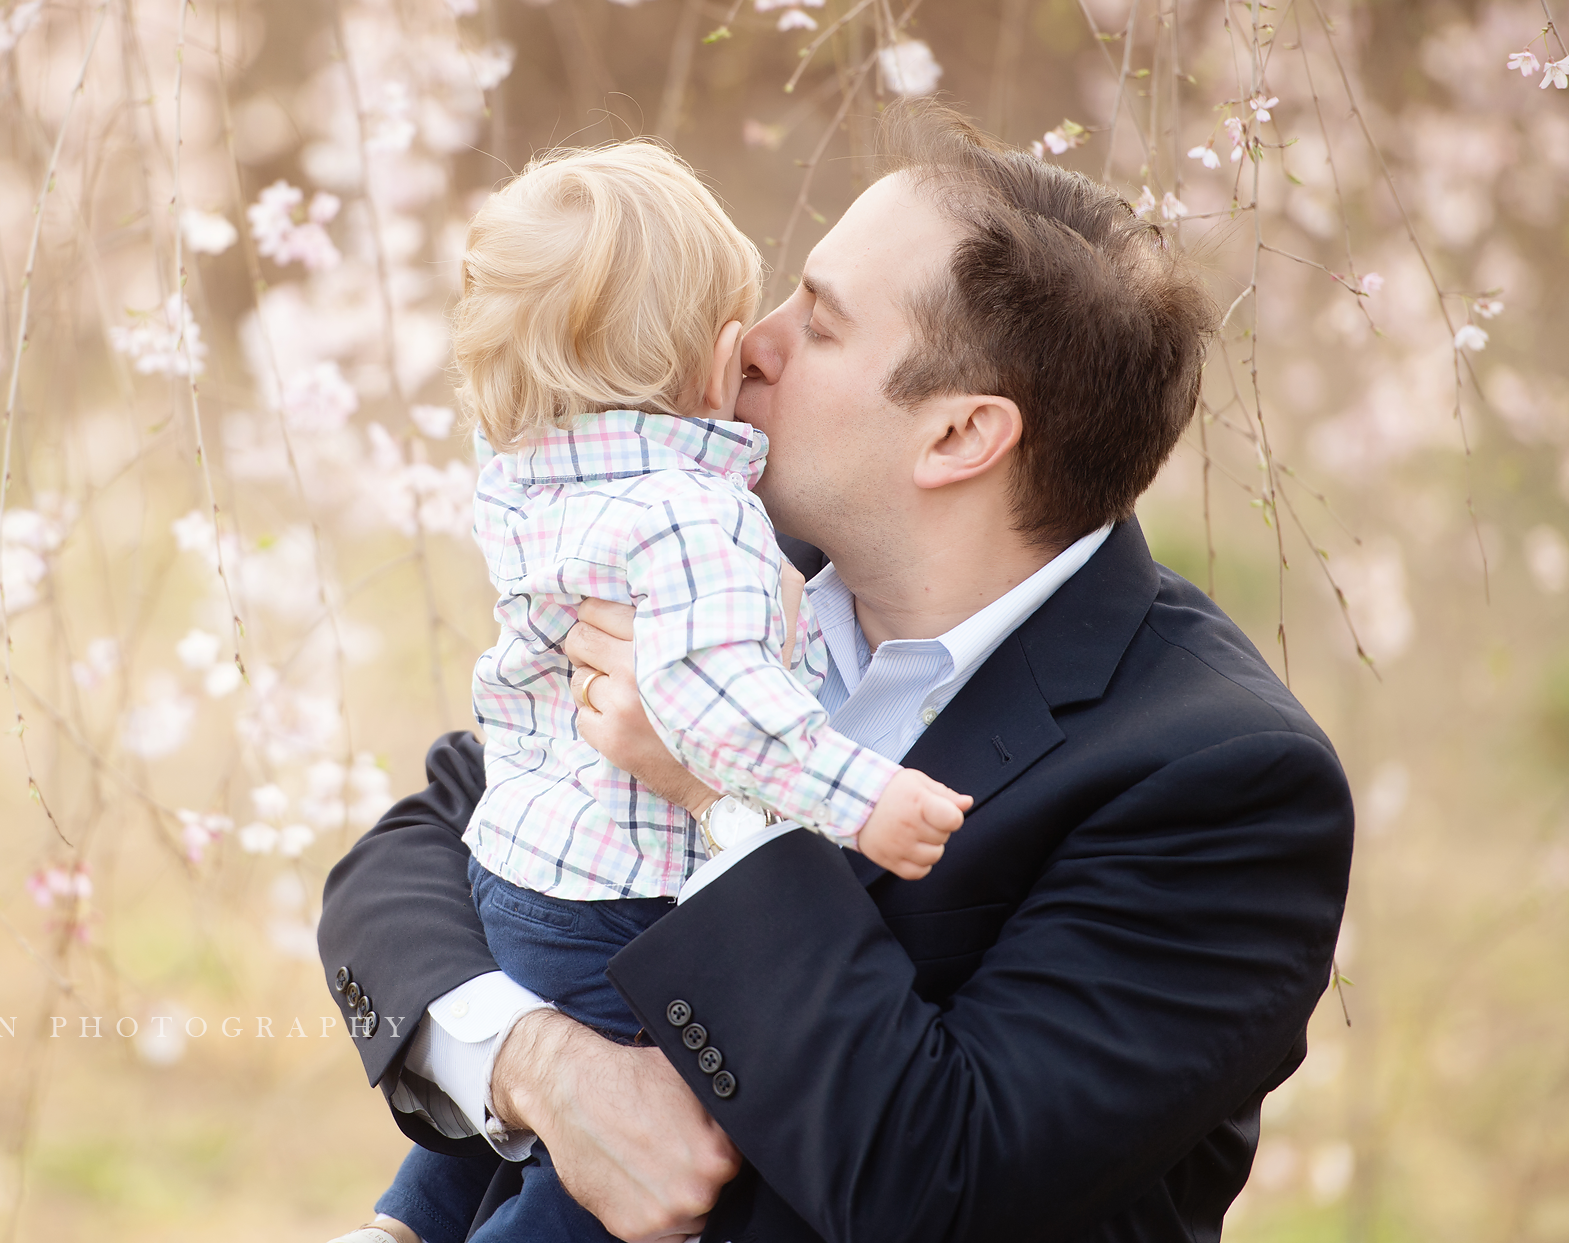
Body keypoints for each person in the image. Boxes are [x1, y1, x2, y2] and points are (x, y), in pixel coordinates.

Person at [317, 103, 1355, 1243]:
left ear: (959, 437)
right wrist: (534, 1064)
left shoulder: (1219, 782)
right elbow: (423, 842)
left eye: (815, 323)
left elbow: (942, 1181)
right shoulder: (732, 570)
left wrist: (719, 792)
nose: (748, 342)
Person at [340, 141, 972, 1243]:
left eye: (816, 323)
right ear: (720, 359)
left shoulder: (532, 480)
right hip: (614, 902)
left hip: (518, 871)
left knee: (536, 1100)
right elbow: (711, 695)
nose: (775, 343)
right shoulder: (697, 515)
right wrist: (858, 794)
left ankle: (405, 1223)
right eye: (776, 319)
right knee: (592, 1185)